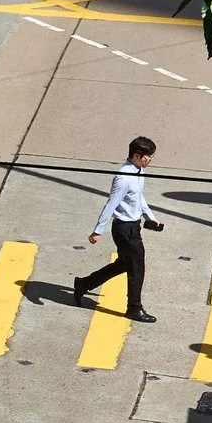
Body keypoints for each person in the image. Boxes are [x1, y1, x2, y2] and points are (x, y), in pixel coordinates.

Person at [74, 134, 164, 321]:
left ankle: (83, 284)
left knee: (124, 264)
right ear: (137, 155)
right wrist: (98, 230)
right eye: (149, 156)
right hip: (125, 229)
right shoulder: (123, 178)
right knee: (137, 269)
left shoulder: (139, 172)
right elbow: (111, 204)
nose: (151, 160)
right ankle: (134, 308)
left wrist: (150, 217)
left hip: (133, 226)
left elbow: (139, 198)